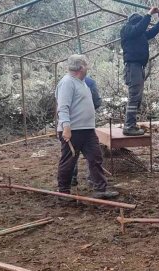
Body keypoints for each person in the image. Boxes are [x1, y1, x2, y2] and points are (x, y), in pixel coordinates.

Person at [55, 54, 119, 200]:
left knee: (95, 158)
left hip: (87, 129)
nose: (88, 68)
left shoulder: (81, 82)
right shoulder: (67, 82)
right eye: (86, 65)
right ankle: (63, 192)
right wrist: (66, 127)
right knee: (69, 160)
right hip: (73, 130)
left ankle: (100, 189)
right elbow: (63, 107)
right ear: (81, 67)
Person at [120, 7, 159, 136]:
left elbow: (150, 33)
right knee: (134, 96)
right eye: (140, 22)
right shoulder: (127, 30)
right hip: (133, 66)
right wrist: (149, 14)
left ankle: (131, 124)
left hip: (138, 67)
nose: (142, 26)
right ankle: (129, 126)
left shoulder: (138, 33)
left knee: (136, 97)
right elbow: (140, 28)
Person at [71, 75, 102, 187]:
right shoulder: (90, 82)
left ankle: (72, 179)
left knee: (71, 154)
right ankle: (93, 180)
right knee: (93, 155)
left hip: (71, 125)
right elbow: (97, 102)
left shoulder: (64, 81)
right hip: (85, 125)